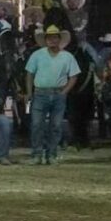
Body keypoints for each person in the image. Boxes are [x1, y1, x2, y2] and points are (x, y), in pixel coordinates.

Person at [25, 25, 80, 165]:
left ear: (59, 39)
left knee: (55, 126)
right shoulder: (37, 55)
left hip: (58, 93)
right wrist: (29, 92)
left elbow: (74, 76)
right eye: (49, 38)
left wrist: (64, 92)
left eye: (55, 37)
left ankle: (52, 154)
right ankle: (37, 154)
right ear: (46, 40)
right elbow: (29, 74)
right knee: (37, 125)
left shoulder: (67, 56)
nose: (52, 40)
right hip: (40, 93)